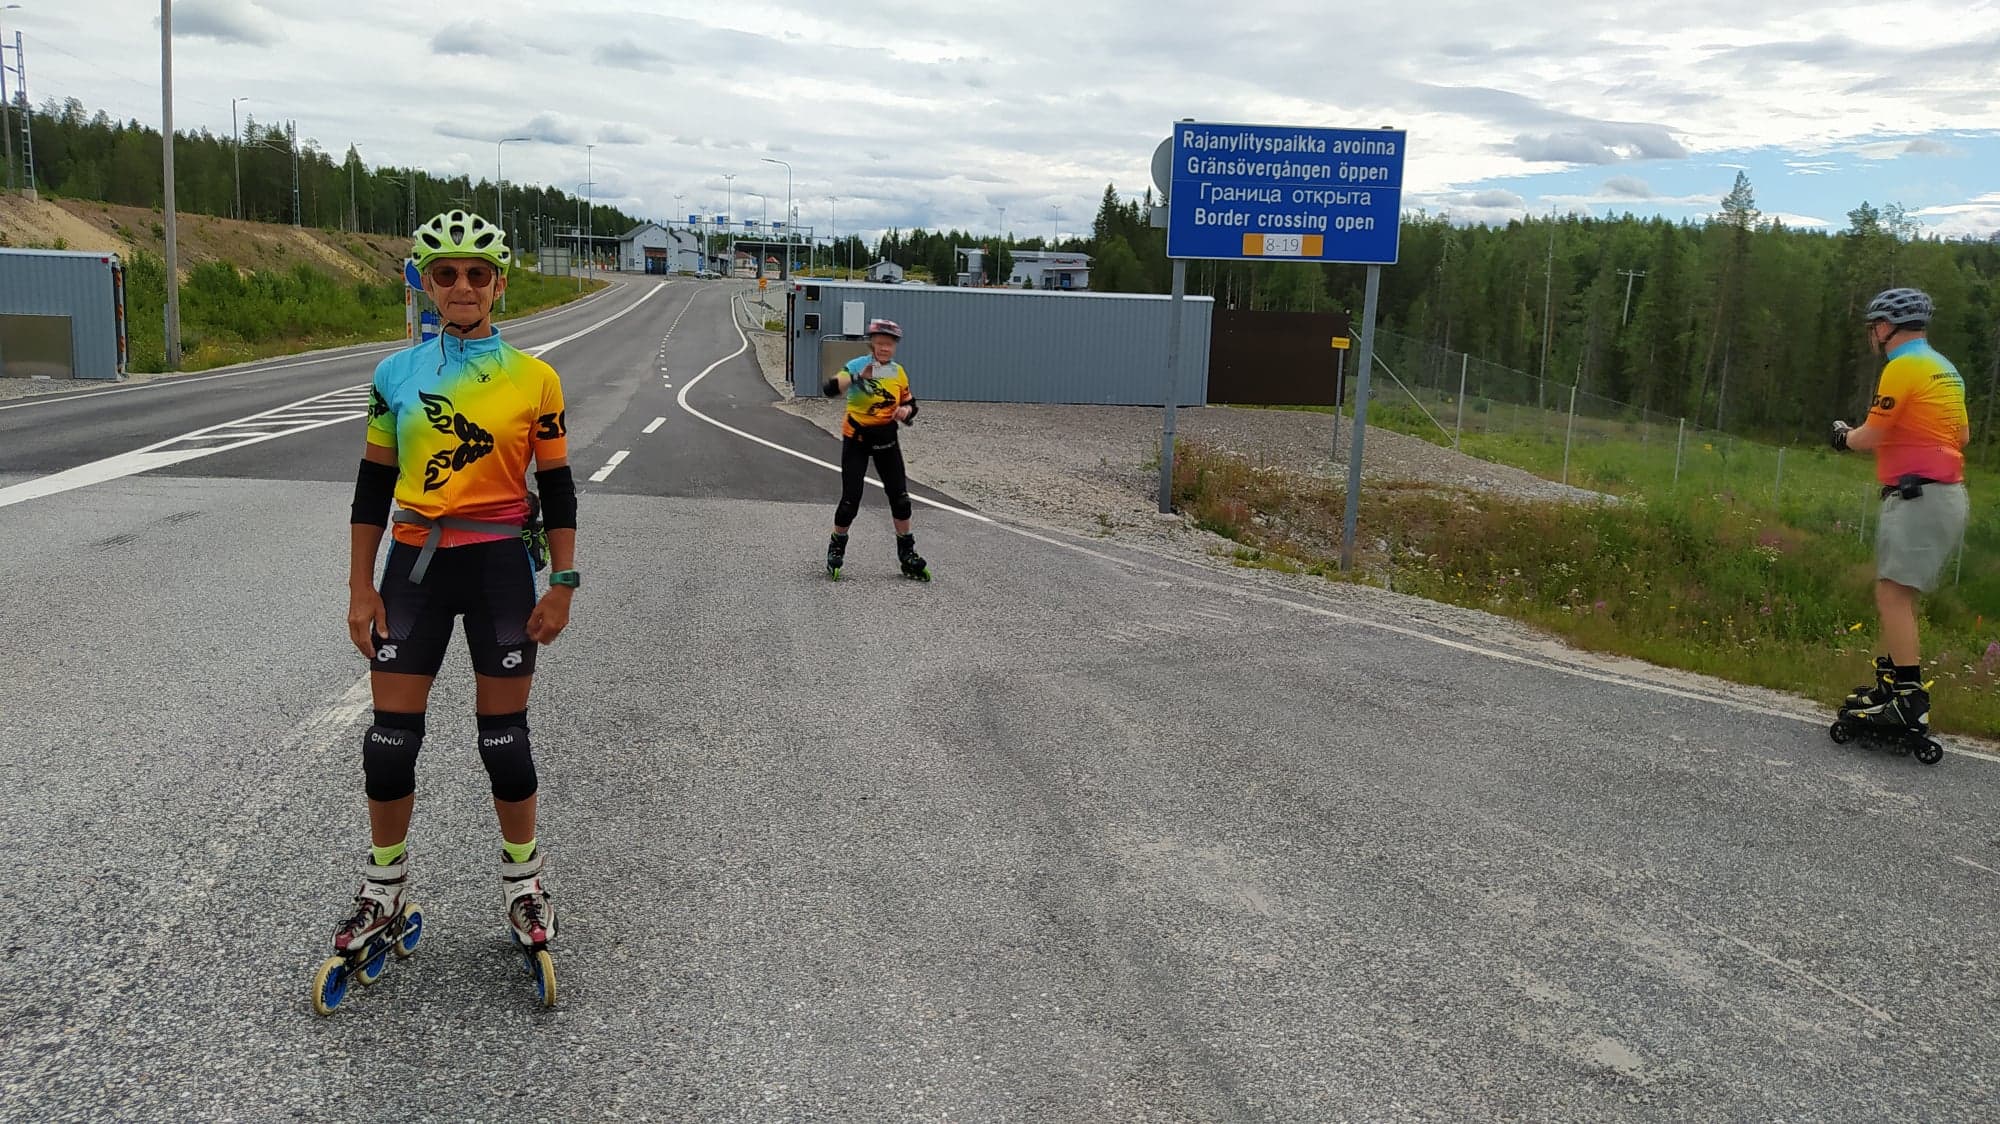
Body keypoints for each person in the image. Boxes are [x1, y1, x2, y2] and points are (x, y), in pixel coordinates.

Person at [334, 210, 579, 965]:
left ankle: (525, 884)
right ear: (426, 282)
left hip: (503, 568)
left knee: (503, 743)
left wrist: (563, 582)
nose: (463, 286)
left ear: (498, 284)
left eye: (478, 273)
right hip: (413, 570)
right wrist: (358, 588)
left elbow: (560, 488)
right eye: (447, 273)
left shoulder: (535, 379)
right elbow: (372, 488)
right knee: (387, 744)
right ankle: (383, 890)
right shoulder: (394, 376)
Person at [1831, 286, 1969, 734]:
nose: (1873, 334)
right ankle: (1892, 686)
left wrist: (1841, 435)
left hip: (1917, 496)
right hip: (1941, 495)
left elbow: (1869, 436)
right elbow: (1961, 437)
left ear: (1888, 327)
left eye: (1874, 326)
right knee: (1899, 596)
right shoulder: (1945, 368)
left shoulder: (1902, 367)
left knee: (1893, 594)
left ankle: (1909, 699)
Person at [822, 318, 929, 581]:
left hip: (886, 439)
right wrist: (859, 377)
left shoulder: (896, 372)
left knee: (900, 498)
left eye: (889, 344)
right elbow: (829, 389)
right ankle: (837, 545)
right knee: (851, 500)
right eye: (880, 343)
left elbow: (910, 403)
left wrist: (906, 411)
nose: (884, 349)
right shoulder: (858, 366)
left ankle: (907, 552)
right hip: (857, 439)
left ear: (894, 347)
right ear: (872, 344)